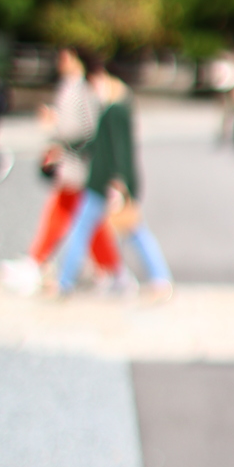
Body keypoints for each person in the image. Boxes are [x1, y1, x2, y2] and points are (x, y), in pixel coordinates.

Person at [1, 47, 122, 296]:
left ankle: (38, 263)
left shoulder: (76, 88)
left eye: (66, 57)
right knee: (81, 217)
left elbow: (80, 128)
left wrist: (54, 126)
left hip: (76, 164)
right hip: (76, 163)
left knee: (75, 216)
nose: (61, 62)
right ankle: (111, 270)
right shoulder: (81, 87)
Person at [55, 57, 173, 299]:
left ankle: (64, 281)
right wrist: (66, 149)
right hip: (107, 183)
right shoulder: (114, 108)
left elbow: (120, 150)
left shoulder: (116, 109)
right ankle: (159, 278)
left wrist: (119, 183)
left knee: (114, 230)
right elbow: (100, 146)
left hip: (106, 183)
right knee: (129, 231)